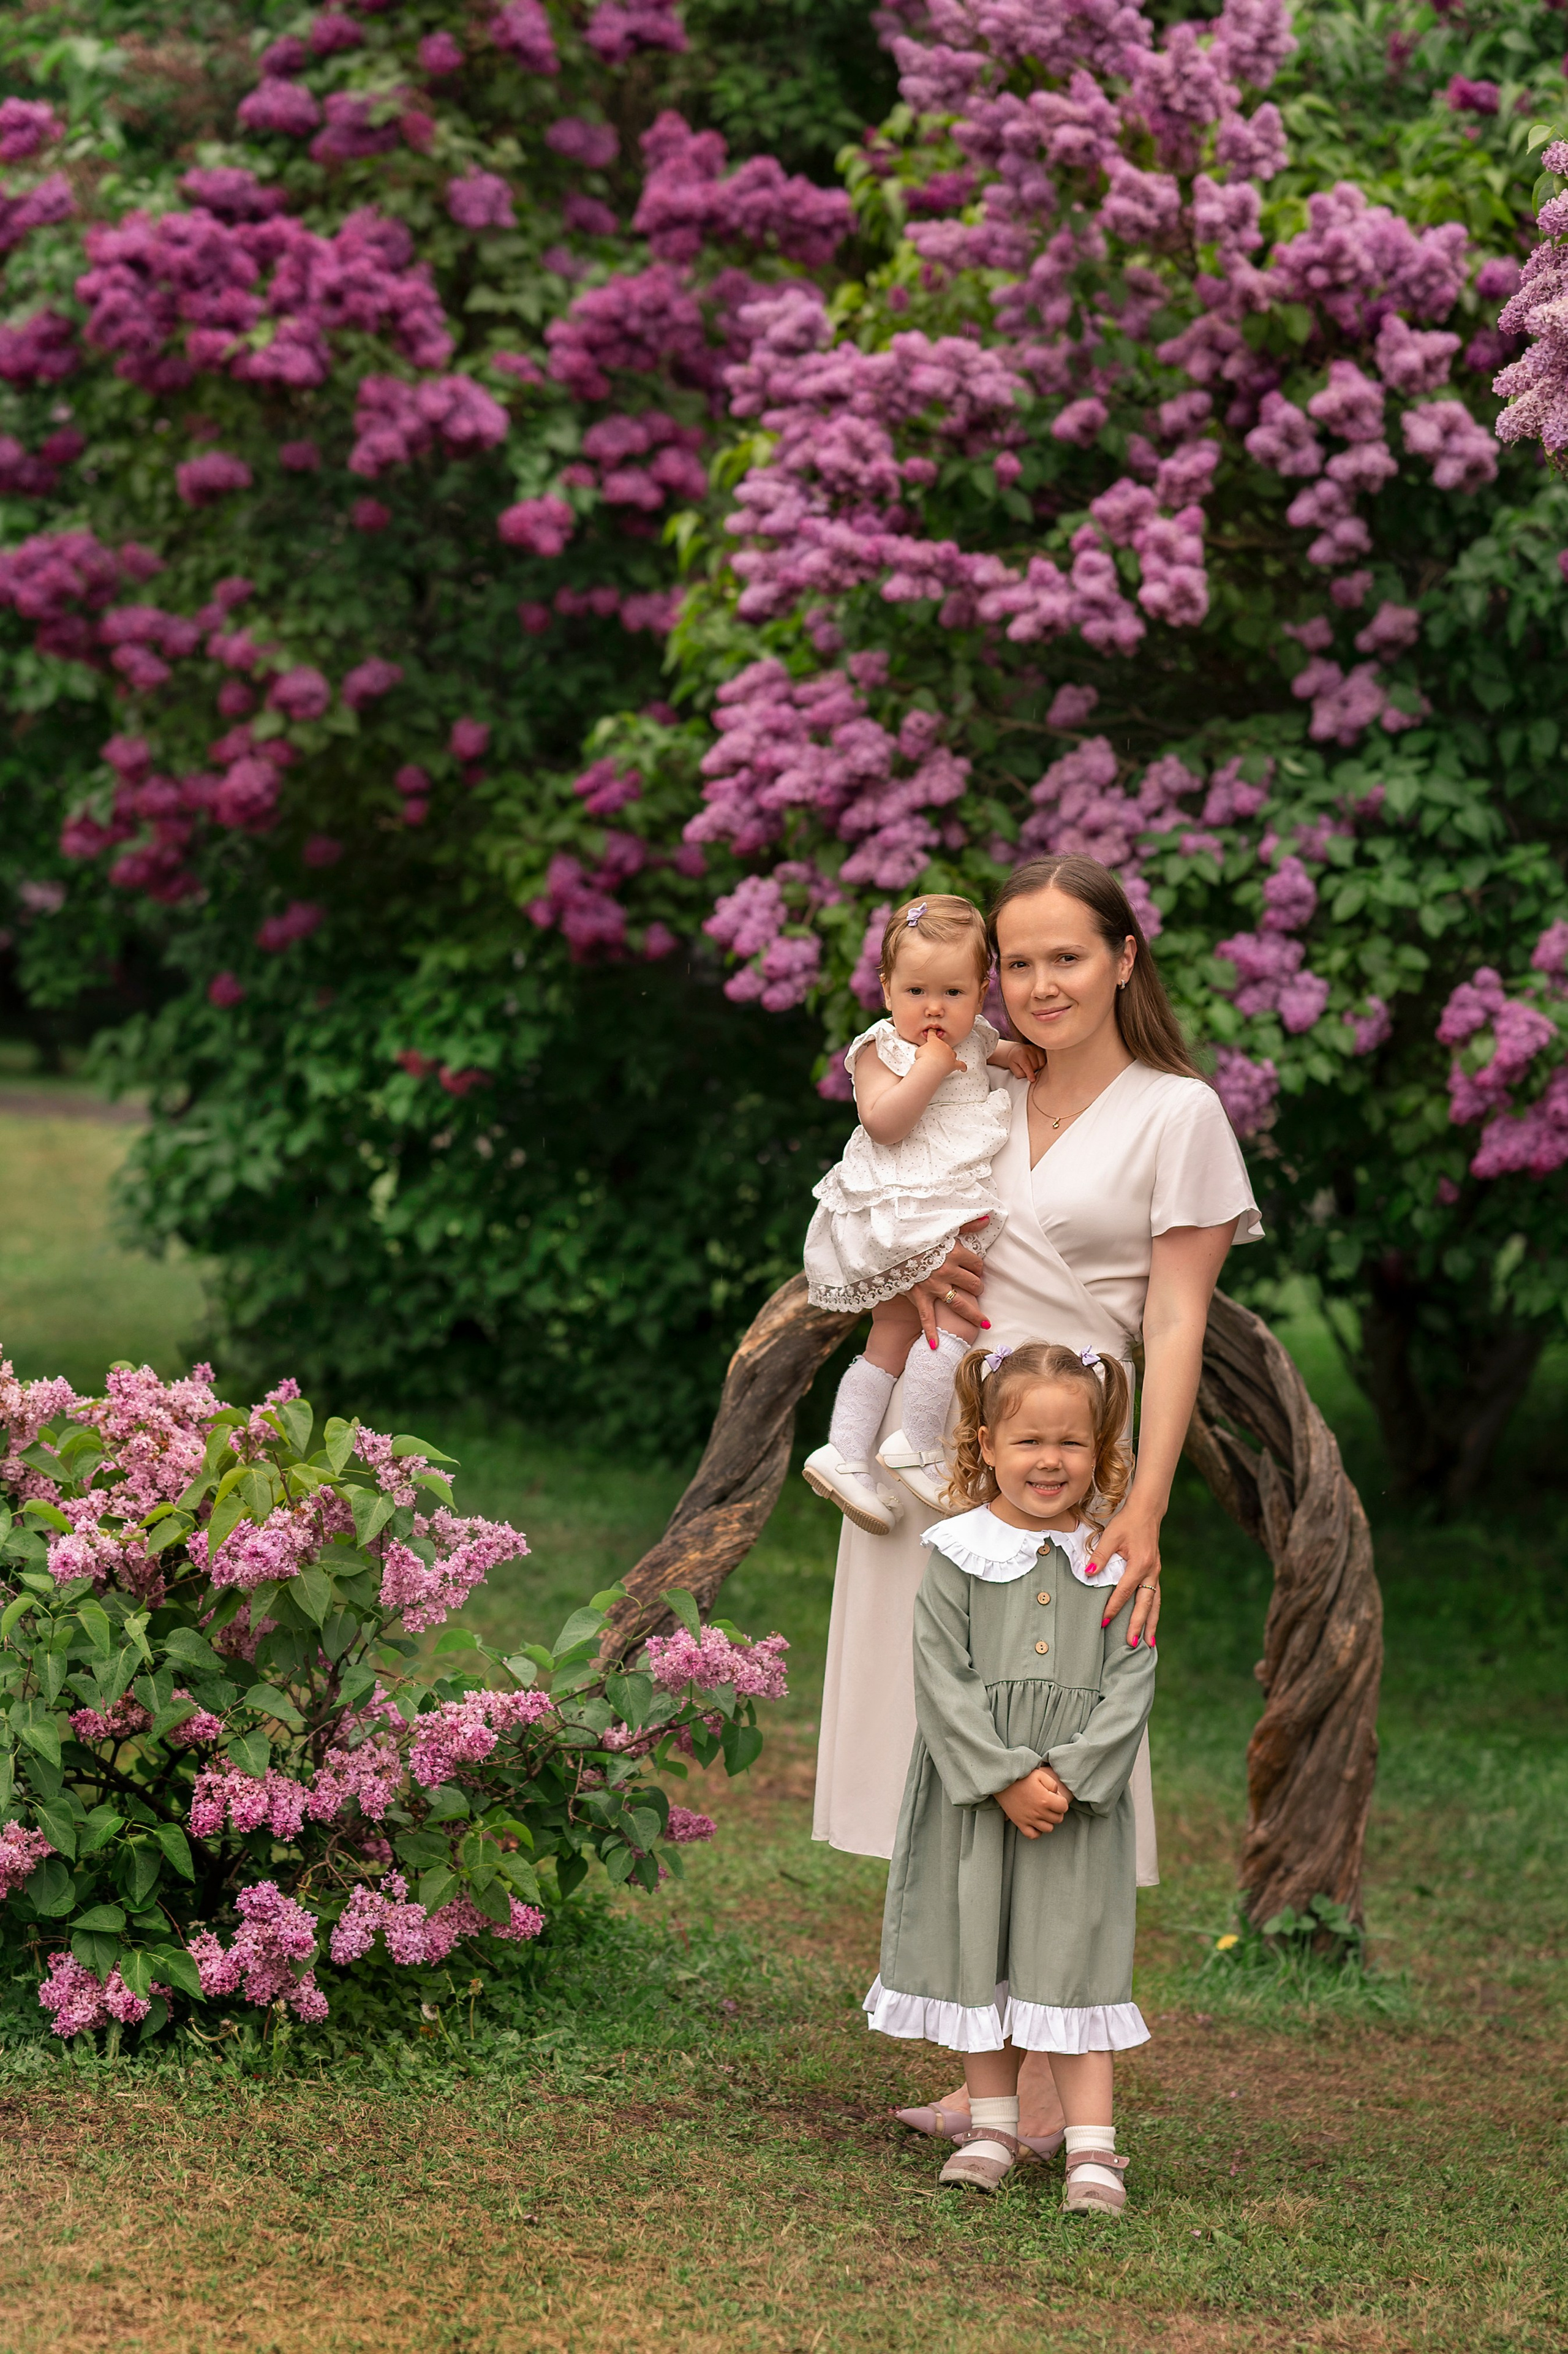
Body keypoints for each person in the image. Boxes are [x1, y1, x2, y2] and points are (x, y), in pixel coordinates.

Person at [812, 852, 1261, 2149]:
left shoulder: (1177, 1113)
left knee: (1067, 1751)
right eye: (1017, 960)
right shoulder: (973, 1088)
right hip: (949, 1457)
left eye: (1068, 954)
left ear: (1125, 957)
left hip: (1078, 1472)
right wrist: (924, 1267)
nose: (1037, 982)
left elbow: (1174, 1320)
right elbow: (895, 1199)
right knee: (952, 1748)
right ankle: (984, 2068)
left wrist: (1147, 1504)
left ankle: (1064, 2073)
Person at [865, 1340, 1155, 2206]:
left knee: (1073, 1958)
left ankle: (1092, 2149)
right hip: (975, 1796)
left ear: (1099, 1452)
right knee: (977, 1952)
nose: (1050, 1460)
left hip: (1076, 1805)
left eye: (1071, 1442)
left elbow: (1133, 1673)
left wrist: (1069, 1774)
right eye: (1029, 1441)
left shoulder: (1112, 1558)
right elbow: (939, 1675)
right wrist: (1001, 1774)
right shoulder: (956, 1551)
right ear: (986, 1442)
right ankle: (992, 2125)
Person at [801, 893, 1042, 1535]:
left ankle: (843, 1454)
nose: (933, 1009)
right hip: (902, 1211)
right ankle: (918, 1441)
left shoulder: (978, 1038)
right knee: (959, 1317)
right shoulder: (883, 1050)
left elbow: (988, 1051)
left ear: (981, 993)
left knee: (890, 1338)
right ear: (885, 991)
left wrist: (1011, 1054)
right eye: (915, 991)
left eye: (953, 993)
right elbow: (882, 1124)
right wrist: (931, 1069)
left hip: (934, 1209)